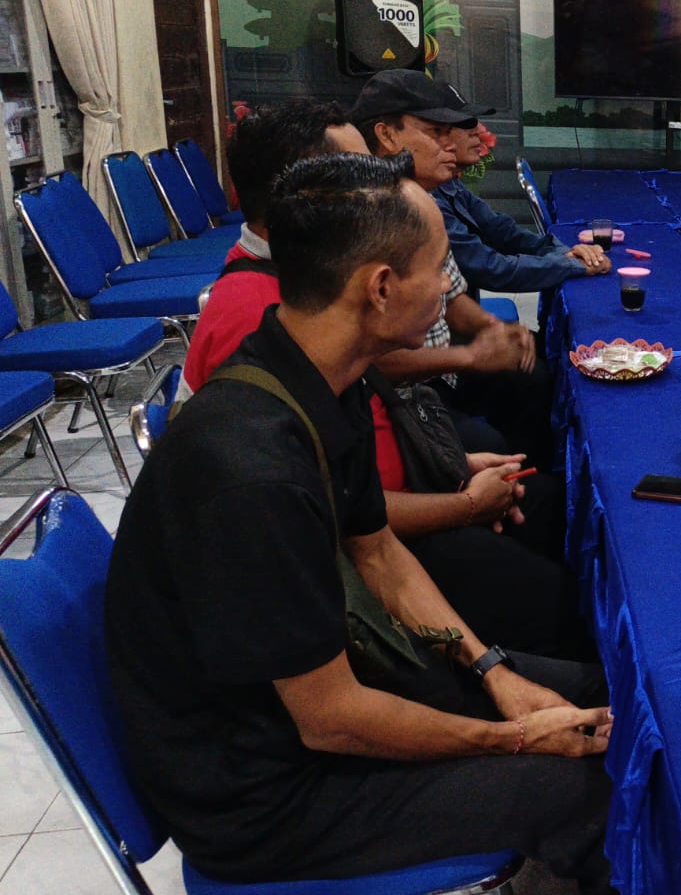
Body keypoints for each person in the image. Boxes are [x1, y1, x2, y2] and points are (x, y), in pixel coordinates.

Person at [105, 153, 613, 889]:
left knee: (604, 697)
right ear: (379, 288)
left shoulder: (319, 375)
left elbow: (378, 554)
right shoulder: (247, 470)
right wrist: (509, 739)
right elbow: (331, 718)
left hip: (333, 696)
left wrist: (493, 671)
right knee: (593, 789)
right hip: (269, 796)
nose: (448, 285)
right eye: (439, 267)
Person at [180, 99, 588, 657]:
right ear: (304, 201)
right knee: (569, 613)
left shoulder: (308, 304)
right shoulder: (262, 335)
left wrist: (455, 472)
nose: (445, 292)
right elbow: (341, 535)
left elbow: (355, 491)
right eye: (360, 177)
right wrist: (467, 505)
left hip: (393, 515)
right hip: (353, 583)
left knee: (554, 509)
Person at [352, 70, 552, 464]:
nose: (452, 144)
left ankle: (533, 486)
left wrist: (494, 329)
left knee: (533, 378)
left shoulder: (423, 201)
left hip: (439, 373)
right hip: (396, 396)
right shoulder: (363, 221)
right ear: (387, 136)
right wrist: (471, 356)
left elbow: (455, 297)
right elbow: (367, 360)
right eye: (436, 131)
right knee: (488, 439)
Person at [433, 93, 611, 295]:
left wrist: (565, 253)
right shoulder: (424, 201)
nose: (477, 130)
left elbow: (502, 231)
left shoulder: (447, 184)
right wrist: (571, 264)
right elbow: (490, 268)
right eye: (464, 123)